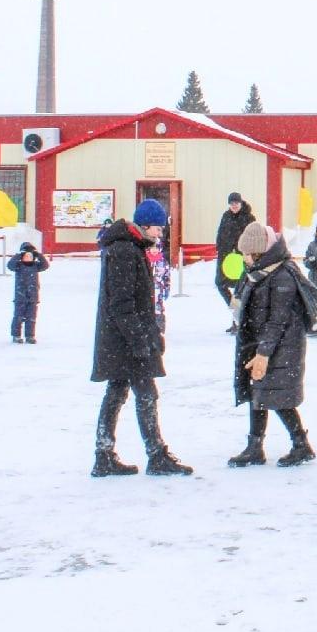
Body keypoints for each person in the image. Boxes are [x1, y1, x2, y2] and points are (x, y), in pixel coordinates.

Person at [91, 200, 191, 476]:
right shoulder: (124, 251)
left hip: (122, 337)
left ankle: (104, 454)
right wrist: (140, 340)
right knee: (144, 394)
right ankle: (155, 455)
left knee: (118, 392)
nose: (160, 234)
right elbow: (122, 304)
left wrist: (151, 332)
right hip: (124, 339)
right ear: (145, 225)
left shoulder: (132, 247)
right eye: (158, 228)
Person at [229, 223, 317, 469]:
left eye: (246, 253)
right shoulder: (258, 271)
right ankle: (255, 447)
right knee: (259, 395)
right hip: (262, 343)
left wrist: (264, 353)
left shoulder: (282, 275)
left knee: (277, 398)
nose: (243, 258)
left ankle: (301, 445)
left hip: (281, 347)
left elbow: (278, 319)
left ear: (258, 252)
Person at [214, 192, 255, 307]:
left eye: (236, 202)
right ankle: (234, 307)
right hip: (225, 255)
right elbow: (220, 233)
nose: (234, 205)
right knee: (220, 283)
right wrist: (220, 248)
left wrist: (246, 253)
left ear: (240, 202)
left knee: (241, 287)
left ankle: (240, 318)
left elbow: (253, 238)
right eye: (231, 203)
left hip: (242, 257)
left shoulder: (249, 217)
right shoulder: (226, 216)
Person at [6, 242, 50, 344]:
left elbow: (45, 265)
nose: (28, 257)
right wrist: (18, 255)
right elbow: (10, 265)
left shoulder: (35, 266)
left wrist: (38, 254)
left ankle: (30, 335)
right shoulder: (18, 266)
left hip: (33, 296)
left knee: (31, 317)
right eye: (25, 255)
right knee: (18, 316)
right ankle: (16, 335)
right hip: (20, 296)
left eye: (30, 256)